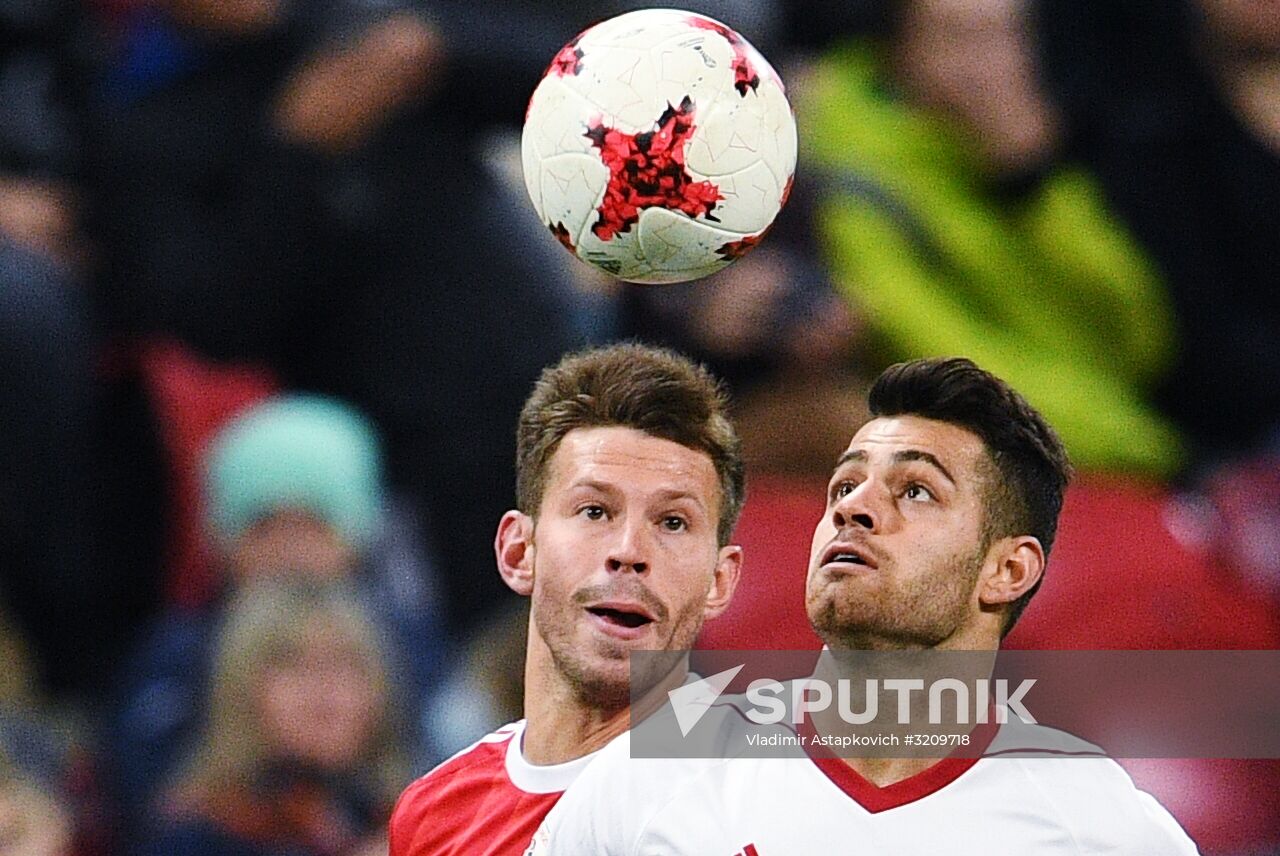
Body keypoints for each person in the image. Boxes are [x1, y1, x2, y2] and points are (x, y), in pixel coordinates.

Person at [531, 357, 1199, 853]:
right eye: (844, 484)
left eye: (915, 491)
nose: (853, 507)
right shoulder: (651, 776)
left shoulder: (1099, 828)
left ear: (1007, 569)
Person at [387, 343, 746, 855]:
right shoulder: (434, 814)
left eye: (672, 522)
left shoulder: (762, 797)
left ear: (718, 581)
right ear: (519, 552)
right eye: (595, 511)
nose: (629, 552)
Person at [138, 579, 409, 856]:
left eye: (346, 662)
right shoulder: (195, 836)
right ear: (239, 689)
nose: (324, 684)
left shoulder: (414, 825)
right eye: (292, 663)